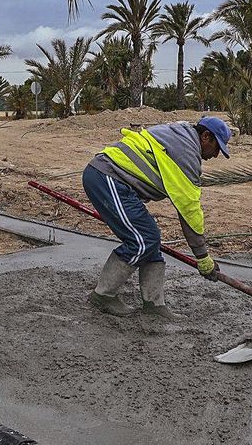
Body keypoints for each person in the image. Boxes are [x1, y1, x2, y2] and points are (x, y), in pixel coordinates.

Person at [82, 116, 232, 319]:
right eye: (216, 149)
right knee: (143, 240)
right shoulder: (186, 153)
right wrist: (202, 256)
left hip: (114, 180)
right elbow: (189, 210)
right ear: (206, 137)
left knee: (150, 238)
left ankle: (154, 304)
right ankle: (103, 295)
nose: (215, 155)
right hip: (108, 177)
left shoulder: (180, 134)